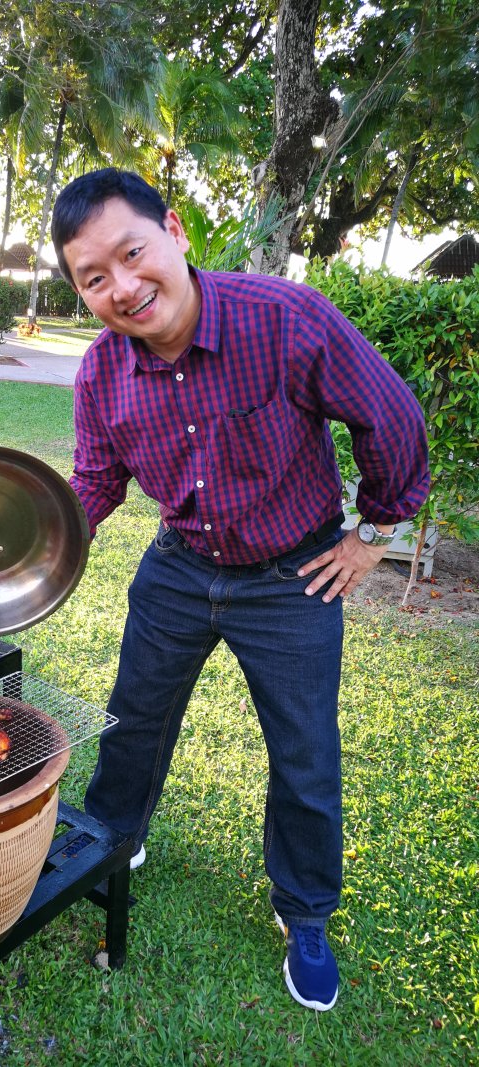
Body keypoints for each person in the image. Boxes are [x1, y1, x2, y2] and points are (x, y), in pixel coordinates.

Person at [50, 168, 430, 1013]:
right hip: (180, 565)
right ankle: (115, 838)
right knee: (135, 716)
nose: (123, 286)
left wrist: (371, 535)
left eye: (131, 253)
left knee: (303, 751)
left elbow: (393, 417)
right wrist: (34, 537)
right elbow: (96, 481)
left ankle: (304, 913)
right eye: (94, 277)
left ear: (175, 232)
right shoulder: (102, 373)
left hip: (291, 575)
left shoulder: (284, 319)